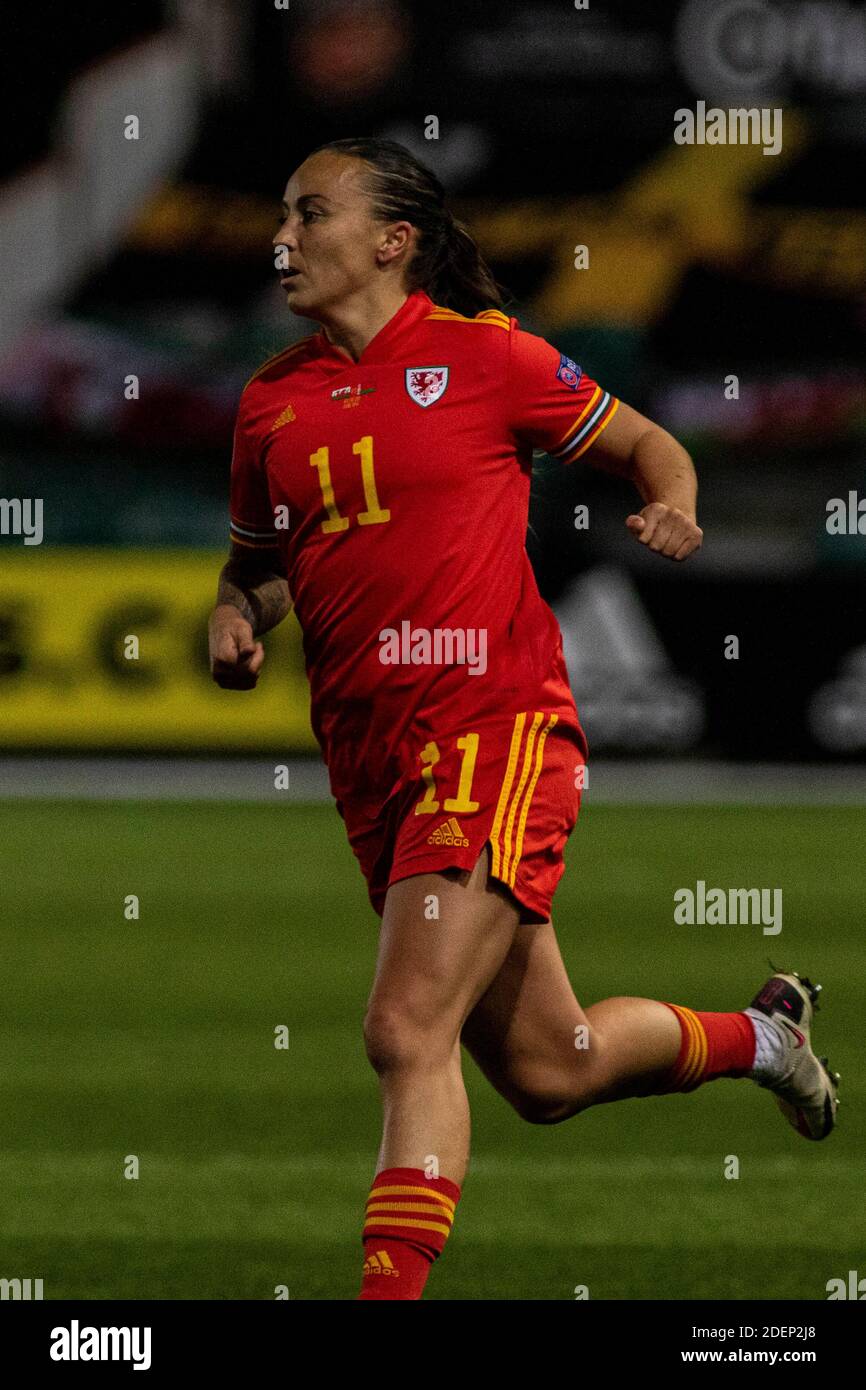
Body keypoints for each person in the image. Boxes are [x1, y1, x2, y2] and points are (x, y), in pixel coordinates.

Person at [208, 137, 839, 1301]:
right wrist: (235, 615)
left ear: (393, 241)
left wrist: (674, 500)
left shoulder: (486, 360)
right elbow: (258, 564)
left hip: (491, 730)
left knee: (405, 1030)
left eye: (310, 213)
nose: (281, 238)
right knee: (554, 1069)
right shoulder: (270, 400)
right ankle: (762, 1041)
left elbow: (648, 443)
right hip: (369, 759)